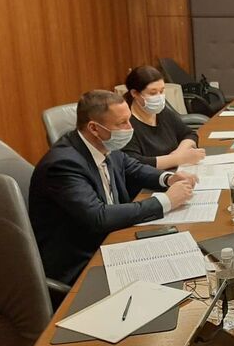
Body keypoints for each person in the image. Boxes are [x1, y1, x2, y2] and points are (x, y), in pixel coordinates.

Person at [29, 90, 198, 285]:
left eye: (129, 120)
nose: (130, 128)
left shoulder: (104, 144)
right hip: (83, 261)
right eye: (122, 123)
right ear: (94, 128)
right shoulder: (63, 165)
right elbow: (98, 217)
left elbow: (132, 167)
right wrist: (166, 201)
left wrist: (168, 178)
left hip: (113, 239)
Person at [121, 65, 205, 170]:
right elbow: (134, 163)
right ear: (135, 93)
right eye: (153, 93)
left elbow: (189, 134)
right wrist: (178, 159)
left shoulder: (162, 112)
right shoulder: (126, 123)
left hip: (177, 171)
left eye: (161, 91)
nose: (159, 97)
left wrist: (179, 152)